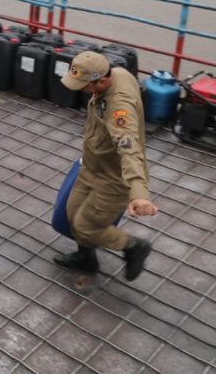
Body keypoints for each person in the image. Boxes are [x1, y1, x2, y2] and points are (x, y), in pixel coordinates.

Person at [54, 51, 158, 281]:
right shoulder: (118, 72)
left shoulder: (119, 108)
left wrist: (139, 194)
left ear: (102, 80)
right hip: (92, 166)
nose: (81, 90)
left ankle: (133, 246)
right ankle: (86, 259)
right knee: (72, 213)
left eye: (84, 86)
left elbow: (130, 148)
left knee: (86, 226)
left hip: (113, 178)